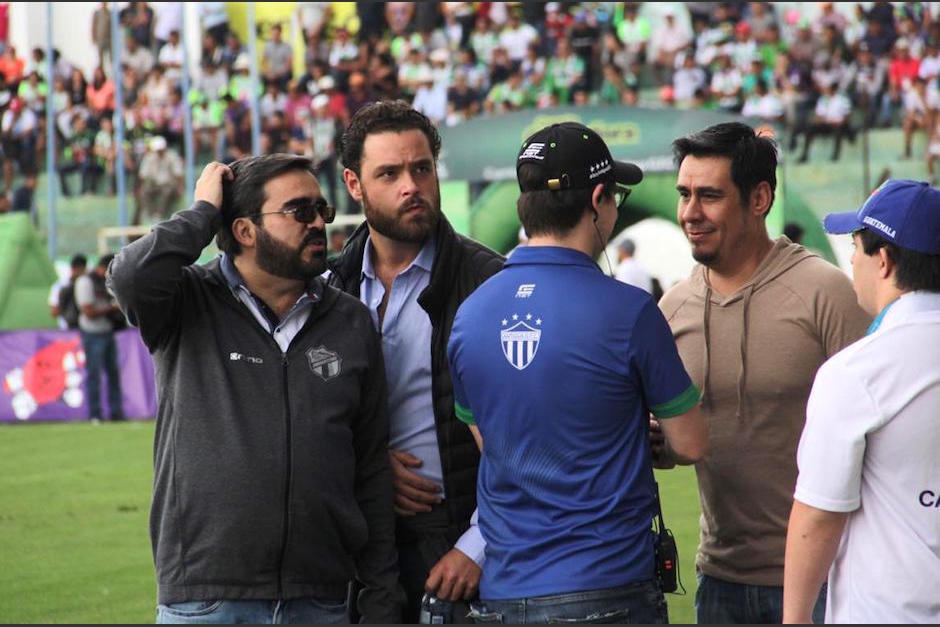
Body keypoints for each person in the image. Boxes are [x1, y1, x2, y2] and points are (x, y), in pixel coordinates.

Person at [107, 155, 403, 623]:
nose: (318, 223)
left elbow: (369, 468)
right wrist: (204, 212)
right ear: (245, 231)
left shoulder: (350, 320)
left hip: (323, 599)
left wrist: (382, 596)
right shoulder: (187, 301)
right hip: (207, 598)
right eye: (299, 211)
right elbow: (128, 276)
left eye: (321, 210)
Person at [446, 122, 707, 623]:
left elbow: (491, 441)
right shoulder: (629, 312)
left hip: (504, 591)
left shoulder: (471, 314)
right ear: (597, 199)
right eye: (617, 196)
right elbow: (691, 443)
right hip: (607, 586)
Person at [659, 122, 871, 624]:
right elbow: (672, 445)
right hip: (718, 582)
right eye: (684, 194)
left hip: (825, 577)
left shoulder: (826, 293)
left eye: (709, 196)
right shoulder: (673, 308)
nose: (690, 213)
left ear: (759, 199)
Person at [327, 100, 503, 622]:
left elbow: (528, 437)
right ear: (354, 185)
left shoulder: (488, 282)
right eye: (390, 173)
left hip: (458, 544)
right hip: (359, 547)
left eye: (421, 168)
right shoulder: (327, 289)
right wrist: (373, 464)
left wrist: (479, 544)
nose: (412, 186)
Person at [783, 179, 940, 624]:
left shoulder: (856, 372)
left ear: (884, 261)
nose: (852, 260)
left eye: (856, 246)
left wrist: (794, 619)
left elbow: (818, 516)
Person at [75, 254, 124, 423]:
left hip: (107, 332)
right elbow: (88, 312)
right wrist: (112, 308)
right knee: (94, 375)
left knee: (113, 374)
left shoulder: (106, 282)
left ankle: (116, 414)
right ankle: (95, 414)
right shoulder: (85, 282)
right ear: (103, 267)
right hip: (92, 333)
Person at [49, 253, 88, 330]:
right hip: (67, 329)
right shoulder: (60, 286)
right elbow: (54, 311)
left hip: (86, 329)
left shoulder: (88, 284)